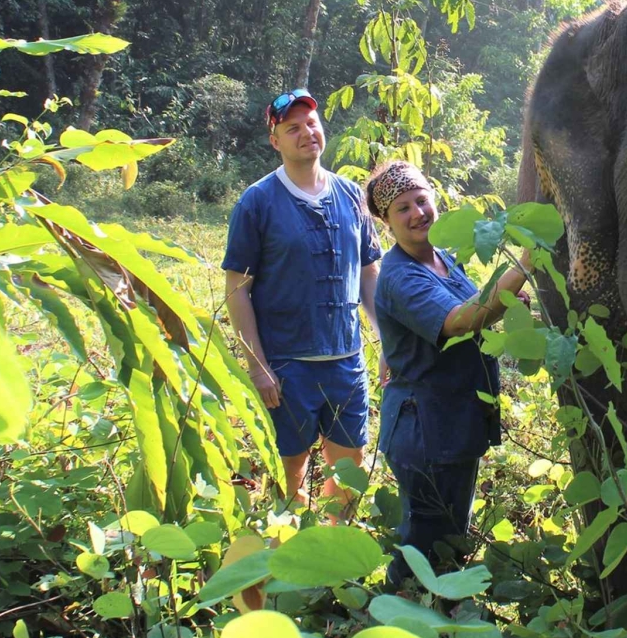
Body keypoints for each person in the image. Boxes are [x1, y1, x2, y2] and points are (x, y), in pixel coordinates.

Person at [364, 159, 531, 585]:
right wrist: (525, 264)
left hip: (455, 419)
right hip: (426, 430)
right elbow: (458, 321)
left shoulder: (443, 257)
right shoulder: (400, 276)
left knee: (452, 531)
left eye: (421, 200)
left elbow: (472, 307)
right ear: (386, 221)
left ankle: (443, 605)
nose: (417, 213)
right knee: (425, 540)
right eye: (403, 208)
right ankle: (401, 608)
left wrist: (506, 303)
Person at [222, 88, 384, 511]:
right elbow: (237, 289)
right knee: (289, 471)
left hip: (346, 362)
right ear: (275, 141)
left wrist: (387, 341)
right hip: (286, 366)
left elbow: (369, 273)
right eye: (292, 128)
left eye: (311, 123)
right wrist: (257, 366)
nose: (306, 133)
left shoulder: (351, 195)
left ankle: (333, 542)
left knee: (348, 470)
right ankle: (286, 540)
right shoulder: (257, 202)